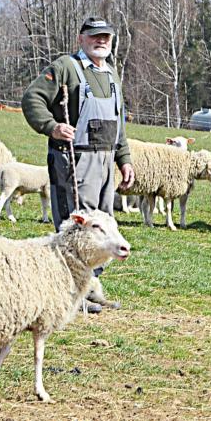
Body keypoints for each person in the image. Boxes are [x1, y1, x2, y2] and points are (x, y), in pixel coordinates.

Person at [21, 16, 135, 313]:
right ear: (81, 39)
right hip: (75, 159)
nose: (101, 41)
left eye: (106, 37)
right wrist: (51, 126)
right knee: (76, 226)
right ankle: (70, 290)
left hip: (106, 159)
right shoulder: (65, 68)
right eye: (94, 36)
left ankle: (91, 286)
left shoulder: (111, 74)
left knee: (103, 226)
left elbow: (118, 123)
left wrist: (124, 159)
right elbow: (32, 98)